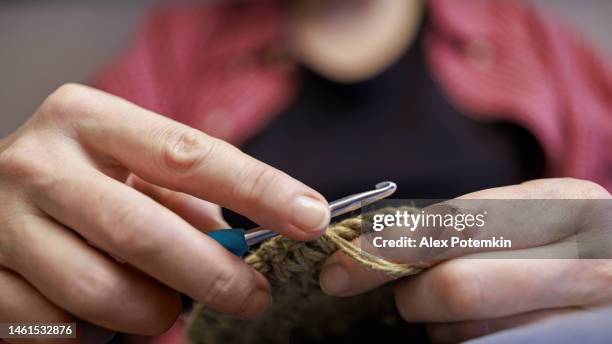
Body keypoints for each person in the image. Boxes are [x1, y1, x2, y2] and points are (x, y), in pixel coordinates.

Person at [0, 0, 610, 343]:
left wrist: (598, 264)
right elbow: (46, 315)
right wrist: (29, 326)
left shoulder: (532, 40)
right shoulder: (174, 49)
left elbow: (604, 231)